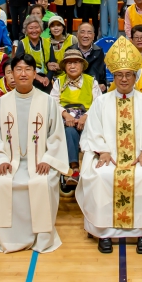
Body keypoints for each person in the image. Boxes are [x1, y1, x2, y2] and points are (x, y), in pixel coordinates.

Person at [75, 37, 142, 254]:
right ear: (113, 76)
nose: (124, 79)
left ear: (135, 76)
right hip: (108, 156)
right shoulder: (101, 102)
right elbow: (92, 131)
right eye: (119, 75)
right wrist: (103, 150)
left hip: (139, 156)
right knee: (101, 176)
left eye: (128, 75)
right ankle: (103, 232)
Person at [0, 53, 69, 253]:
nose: (23, 74)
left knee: (41, 182)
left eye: (28, 69)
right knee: (2, 181)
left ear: (34, 73)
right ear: (11, 74)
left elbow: (57, 135)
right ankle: (9, 239)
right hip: (11, 162)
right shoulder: (0, 104)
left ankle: (41, 238)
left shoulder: (48, 102)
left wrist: (48, 160)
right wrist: (0, 160)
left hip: (39, 161)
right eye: (18, 69)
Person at [48, 48, 101, 188]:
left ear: (82, 66)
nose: (72, 66)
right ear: (64, 66)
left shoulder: (92, 81)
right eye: (69, 63)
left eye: (76, 63)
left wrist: (85, 117)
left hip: (88, 121)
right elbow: (53, 103)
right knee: (69, 131)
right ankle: (75, 170)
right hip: (66, 122)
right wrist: (65, 115)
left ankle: (92, 171)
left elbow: (99, 104)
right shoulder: (59, 82)